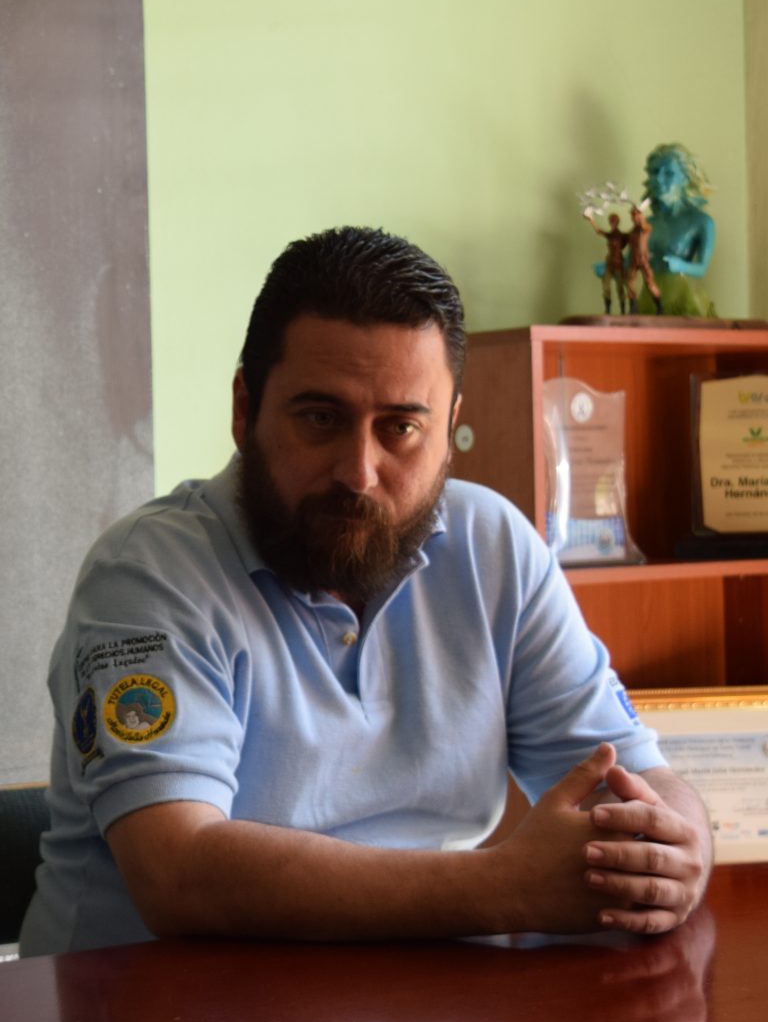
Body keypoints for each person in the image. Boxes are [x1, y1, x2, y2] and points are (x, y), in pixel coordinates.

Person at [20, 226, 712, 956]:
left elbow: (636, 779)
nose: (359, 471)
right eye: (321, 418)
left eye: (401, 428)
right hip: (152, 1015)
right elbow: (179, 874)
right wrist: (510, 885)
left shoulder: (495, 546)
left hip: (415, 1002)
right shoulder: (147, 574)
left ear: (450, 427)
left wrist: (682, 846)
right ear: (244, 409)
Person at [639, 142, 716, 316]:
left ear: (685, 178)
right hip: (649, 298)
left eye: (669, 173)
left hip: (684, 300)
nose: (659, 179)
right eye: (654, 172)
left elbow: (702, 268)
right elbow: (631, 260)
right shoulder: (646, 223)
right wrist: (610, 266)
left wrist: (680, 265)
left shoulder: (701, 222)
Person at [584, 211, 628, 314]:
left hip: (619, 264)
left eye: (614, 221)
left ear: (617, 222)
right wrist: (591, 219)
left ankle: (623, 310)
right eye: (611, 221)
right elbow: (598, 231)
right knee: (606, 287)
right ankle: (607, 309)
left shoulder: (623, 236)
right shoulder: (610, 235)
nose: (613, 223)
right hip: (609, 263)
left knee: (620, 288)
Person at [626, 204, 664, 314]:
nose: (635, 217)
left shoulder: (646, 227)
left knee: (650, 283)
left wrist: (640, 215)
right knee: (629, 282)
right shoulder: (632, 231)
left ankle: (659, 306)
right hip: (634, 260)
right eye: (633, 215)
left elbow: (644, 226)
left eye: (637, 215)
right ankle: (633, 305)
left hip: (643, 260)